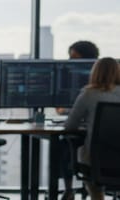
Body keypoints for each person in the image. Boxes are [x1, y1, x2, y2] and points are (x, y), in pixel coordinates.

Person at [64, 57, 120, 200]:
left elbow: (70, 126)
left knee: (92, 169)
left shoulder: (89, 94)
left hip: (96, 162)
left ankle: (97, 197)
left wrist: (89, 124)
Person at [55, 40, 100, 200]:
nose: (70, 62)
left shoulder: (89, 93)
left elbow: (70, 125)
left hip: (91, 147)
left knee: (64, 143)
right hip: (112, 150)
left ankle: (68, 190)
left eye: (74, 58)